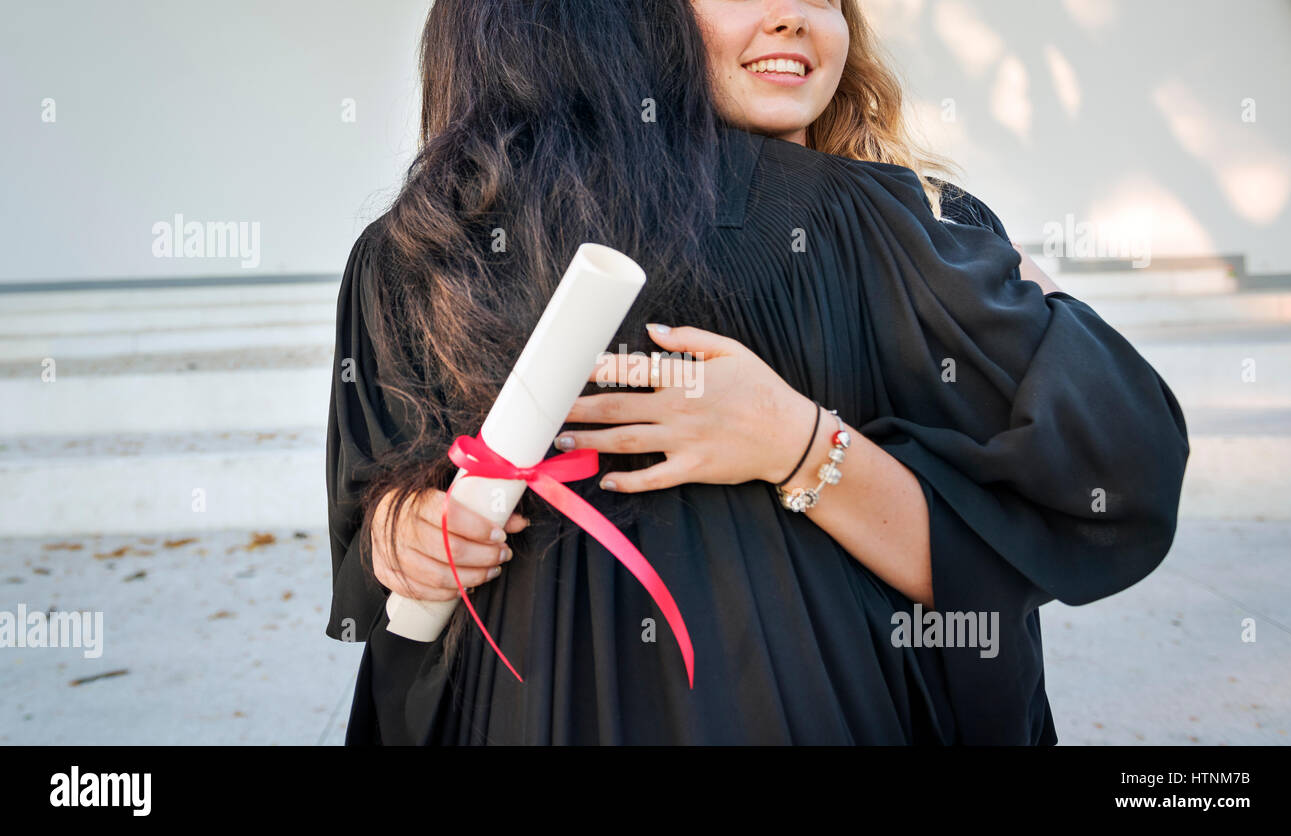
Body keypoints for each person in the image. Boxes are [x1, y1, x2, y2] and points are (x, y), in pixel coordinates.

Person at [326, 0, 1190, 744]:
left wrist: (798, 442)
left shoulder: (894, 227)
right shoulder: (422, 255)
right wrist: (405, 533)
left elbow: (1091, 484)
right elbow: (375, 529)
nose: (793, 17)